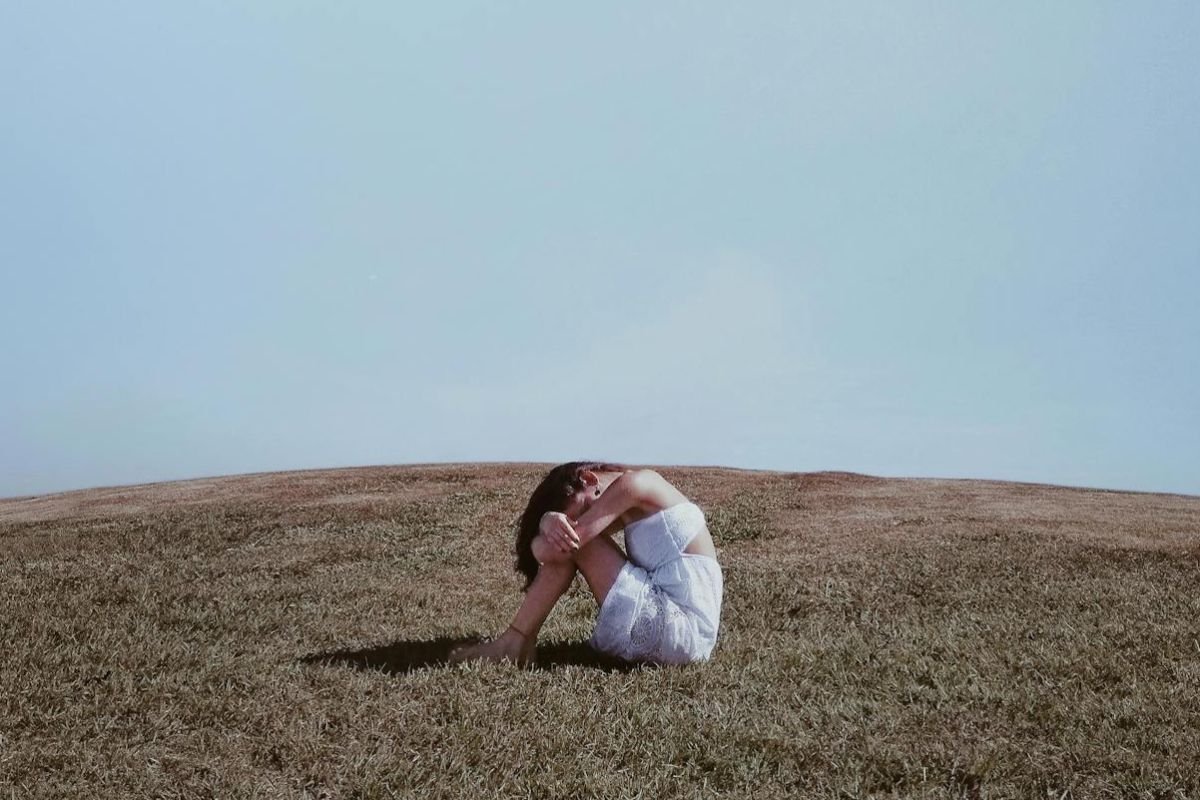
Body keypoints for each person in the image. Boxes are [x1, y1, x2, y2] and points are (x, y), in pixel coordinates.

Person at [449, 461, 724, 666]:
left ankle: (513, 644)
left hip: (681, 630)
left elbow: (553, 552)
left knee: (573, 543)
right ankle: (517, 642)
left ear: (589, 478)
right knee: (572, 542)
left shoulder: (635, 484)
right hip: (688, 635)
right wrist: (549, 523)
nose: (575, 524)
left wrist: (549, 523)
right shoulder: (638, 503)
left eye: (577, 516)